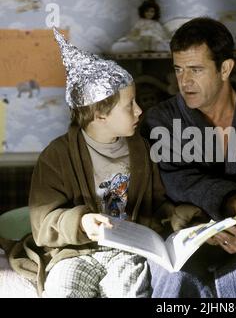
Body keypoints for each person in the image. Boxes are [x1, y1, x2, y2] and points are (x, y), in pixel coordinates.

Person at [7, 28, 174, 297]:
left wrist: (174, 214)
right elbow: (42, 223)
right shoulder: (57, 156)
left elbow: (156, 201)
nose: (140, 110)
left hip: (126, 251)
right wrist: (82, 222)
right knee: (63, 288)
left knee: (130, 290)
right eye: (130, 105)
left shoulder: (142, 149)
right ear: (100, 114)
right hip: (76, 252)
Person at [141, 17, 236, 298]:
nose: (184, 82)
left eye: (196, 69)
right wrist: (233, 199)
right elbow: (174, 179)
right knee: (176, 277)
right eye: (179, 70)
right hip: (187, 234)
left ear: (225, 68)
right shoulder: (161, 119)